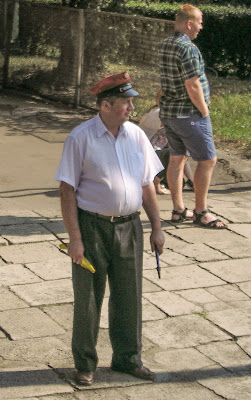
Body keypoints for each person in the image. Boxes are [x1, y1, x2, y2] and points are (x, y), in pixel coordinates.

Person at [54, 72, 164, 386]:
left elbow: (147, 185)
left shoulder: (136, 136)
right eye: (126, 102)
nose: (132, 107)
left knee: (129, 297)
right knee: (88, 299)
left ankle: (128, 359)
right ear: (106, 105)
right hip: (91, 228)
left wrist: (156, 228)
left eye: (132, 102)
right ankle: (85, 364)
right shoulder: (81, 137)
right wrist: (75, 238)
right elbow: (67, 189)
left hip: (130, 228)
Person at [158, 4, 226, 228]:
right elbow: (192, 84)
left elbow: (166, 82)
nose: (201, 26)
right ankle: (201, 212)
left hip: (169, 113)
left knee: (177, 159)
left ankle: (178, 210)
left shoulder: (165, 45)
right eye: (199, 22)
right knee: (207, 160)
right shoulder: (188, 48)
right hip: (189, 114)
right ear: (189, 24)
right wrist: (204, 111)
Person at [139, 90, 194, 195]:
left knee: (177, 183)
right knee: (174, 151)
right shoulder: (158, 113)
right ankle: (156, 184)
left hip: (157, 153)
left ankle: (191, 182)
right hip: (146, 156)